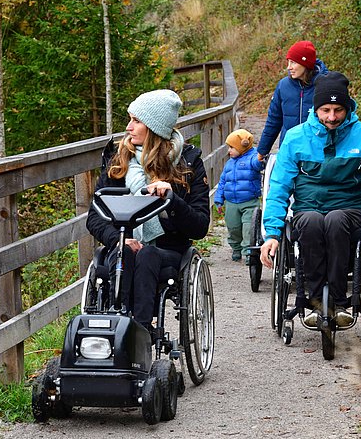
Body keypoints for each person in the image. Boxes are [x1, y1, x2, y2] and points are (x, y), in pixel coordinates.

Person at [259, 71, 361, 327]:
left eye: (338, 110)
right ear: (316, 109)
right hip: (307, 210)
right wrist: (271, 233)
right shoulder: (295, 138)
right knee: (313, 222)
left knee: (336, 220)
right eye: (325, 110)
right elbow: (279, 187)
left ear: (347, 108)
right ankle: (314, 302)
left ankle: (338, 301)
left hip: (349, 210)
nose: (332, 117)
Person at [86, 89, 210, 334]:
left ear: (154, 127)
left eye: (136, 121)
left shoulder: (188, 162)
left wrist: (172, 200)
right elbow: (94, 217)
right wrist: (118, 239)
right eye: (130, 119)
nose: (129, 127)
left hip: (168, 250)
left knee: (147, 255)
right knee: (127, 254)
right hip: (123, 244)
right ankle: (116, 326)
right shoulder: (117, 161)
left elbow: (200, 226)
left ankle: (140, 332)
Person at [256, 40, 329, 162]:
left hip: (318, 154)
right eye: (288, 62)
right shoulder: (283, 86)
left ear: (305, 63)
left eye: (293, 62)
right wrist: (262, 151)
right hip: (289, 151)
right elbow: (274, 121)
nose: (289, 67)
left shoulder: (326, 84)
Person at [214, 129, 265, 261]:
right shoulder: (229, 163)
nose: (229, 151)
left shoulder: (252, 158)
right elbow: (222, 181)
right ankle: (236, 248)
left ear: (242, 146)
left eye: (232, 147)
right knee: (233, 227)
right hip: (231, 202)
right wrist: (219, 199)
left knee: (248, 228)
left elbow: (258, 164)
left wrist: (261, 159)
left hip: (249, 201)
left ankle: (249, 252)